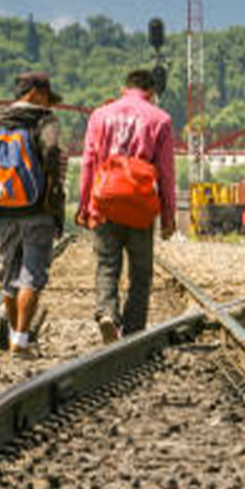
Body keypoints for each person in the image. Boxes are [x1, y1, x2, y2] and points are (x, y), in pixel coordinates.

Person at [0, 72, 66, 356]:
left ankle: (15, 335)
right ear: (34, 93)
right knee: (32, 274)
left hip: (4, 210)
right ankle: (20, 340)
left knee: (9, 278)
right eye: (46, 96)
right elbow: (49, 154)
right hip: (37, 211)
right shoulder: (46, 120)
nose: (49, 103)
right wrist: (55, 199)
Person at [76, 69, 176, 343]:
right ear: (152, 92)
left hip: (106, 200)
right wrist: (168, 216)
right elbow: (166, 173)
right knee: (141, 272)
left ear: (124, 88)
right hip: (140, 205)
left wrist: (84, 204)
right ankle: (133, 333)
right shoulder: (161, 119)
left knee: (107, 264)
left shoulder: (100, 115)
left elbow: (88, 163)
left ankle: (107, 312)